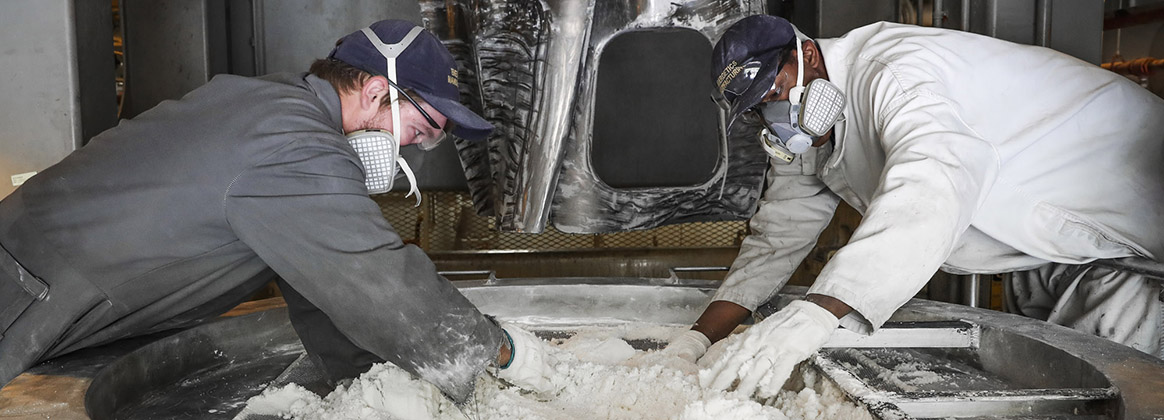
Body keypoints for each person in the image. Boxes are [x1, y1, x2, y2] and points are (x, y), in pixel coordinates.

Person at [0, 19, 557, 403]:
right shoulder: (290, 142)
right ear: (374, 89)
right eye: (422, 131)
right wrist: (500, 352)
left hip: (37, 282)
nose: (413, 148)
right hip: (19, 290)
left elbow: (322, 287)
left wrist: (366, 383)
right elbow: (378, 282)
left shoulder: (277, 107)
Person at [662, 15, 1164, 398]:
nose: (775, 113)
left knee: (1117, 392)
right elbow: (777, 237)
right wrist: (698, 339)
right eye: (759, 107)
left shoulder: (895, 75)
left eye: (776, 88)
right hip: (1056, 253)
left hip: (1135, 218)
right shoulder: (808, 132)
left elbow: (932, 185)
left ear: (808, 54)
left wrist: (815, 315)